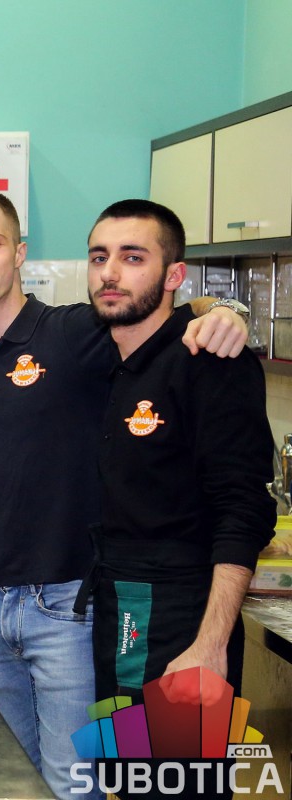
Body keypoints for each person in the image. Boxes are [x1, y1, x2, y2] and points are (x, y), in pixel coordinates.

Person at [0, 189, 248, 800]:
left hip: (70, 609)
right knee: (1, 784)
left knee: (74, 787)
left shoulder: (79, 330)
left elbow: (163, 316)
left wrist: (226, 308)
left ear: (19, 253)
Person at [83, 198, 275, 702]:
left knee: (176, 755)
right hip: (119, 606)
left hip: (183, 617)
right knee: (124, 751)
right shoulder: (103, 354)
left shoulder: (210, 359)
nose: (110, 272)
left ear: (174, 275)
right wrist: (223, 305)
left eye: (132, 257)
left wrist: (210, 644)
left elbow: (245, 508)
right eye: (99, 257)